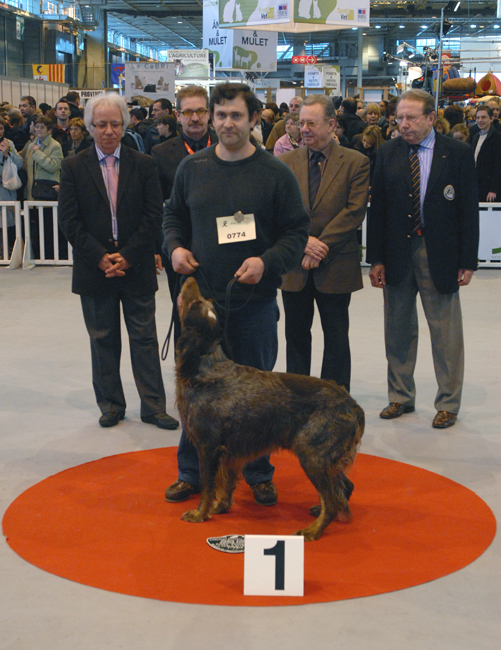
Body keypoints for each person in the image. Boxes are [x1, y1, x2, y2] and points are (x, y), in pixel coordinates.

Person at [162, 82, 309, 506]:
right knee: (195, 397)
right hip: (200, 306)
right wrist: (175, 248)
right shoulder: (193, 169)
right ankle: (192, 473)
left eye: (236, 116)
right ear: (211, 117)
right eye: (221, 115)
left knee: (256, 399)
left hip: (255, 305)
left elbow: (296, 232)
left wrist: (267, 262)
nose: (227, 123)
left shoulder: (274, 173)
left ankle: (258, 472)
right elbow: (173, 216)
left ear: (254, 118)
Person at [58, 92, 179, 431]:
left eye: (115, 124)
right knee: (103, 339)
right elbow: (69, 221)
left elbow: (153, 215)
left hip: (135, 265)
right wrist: (100, 257)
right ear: (90, 126)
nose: (108, 131)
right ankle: (111, 404)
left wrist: (126, 255)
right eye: (101, 124)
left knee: (144, 338)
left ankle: (153, 407)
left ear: (125, 125)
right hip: (94, 269)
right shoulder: (72, 167)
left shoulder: (144, 164)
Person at [367, 89, 479, 429]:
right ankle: (400, 396)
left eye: (411, 117)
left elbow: (468, 210)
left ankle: (448, 402)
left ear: (431, 118)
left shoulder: (457, 153)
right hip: (398, 253)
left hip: (440, 252)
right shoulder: (387, 153)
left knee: (445, 332)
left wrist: (468, 260)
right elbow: (379, 211)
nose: (404, 124)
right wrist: (375, 259)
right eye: (400, 118)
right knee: (398, 329)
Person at [278, 94, 370, 393]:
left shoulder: (356, 162)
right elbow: (277, 211)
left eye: (311, 123)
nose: (304, 129)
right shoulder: (285, 163)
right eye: (300, 122)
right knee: (296, 337)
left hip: (335, 264)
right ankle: (297, 397)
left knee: (336, 338)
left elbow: (354, 211)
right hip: (295, 267)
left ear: (331, 124)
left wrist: (321, 246)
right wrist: (304, 242)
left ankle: (335, 396)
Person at [152, 85, 218, 340]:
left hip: (222, 246)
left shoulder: (227, 144)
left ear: (209, 113)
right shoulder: (162, 153)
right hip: (180, 249)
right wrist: (159, 248)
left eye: (201, 111)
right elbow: (155, 205)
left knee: (222, 314)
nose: (195, 118)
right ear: (178, 115)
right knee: (186, 315)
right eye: (188, 112)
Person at [0, 117, 24, 256]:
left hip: (6, 189)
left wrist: (7, 154)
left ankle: (7, 251)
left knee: (7, 222)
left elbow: (20, 163)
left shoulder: (9, 143)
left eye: (1, 128)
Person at [471, 104, 501, 202]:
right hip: (477, 185)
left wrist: (493, 189)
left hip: (490, 189)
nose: (480, 120)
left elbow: (498, 165)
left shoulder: (497, 138)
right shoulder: (475, 137)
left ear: (491, 119)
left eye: (483, 117)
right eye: (478, 117)